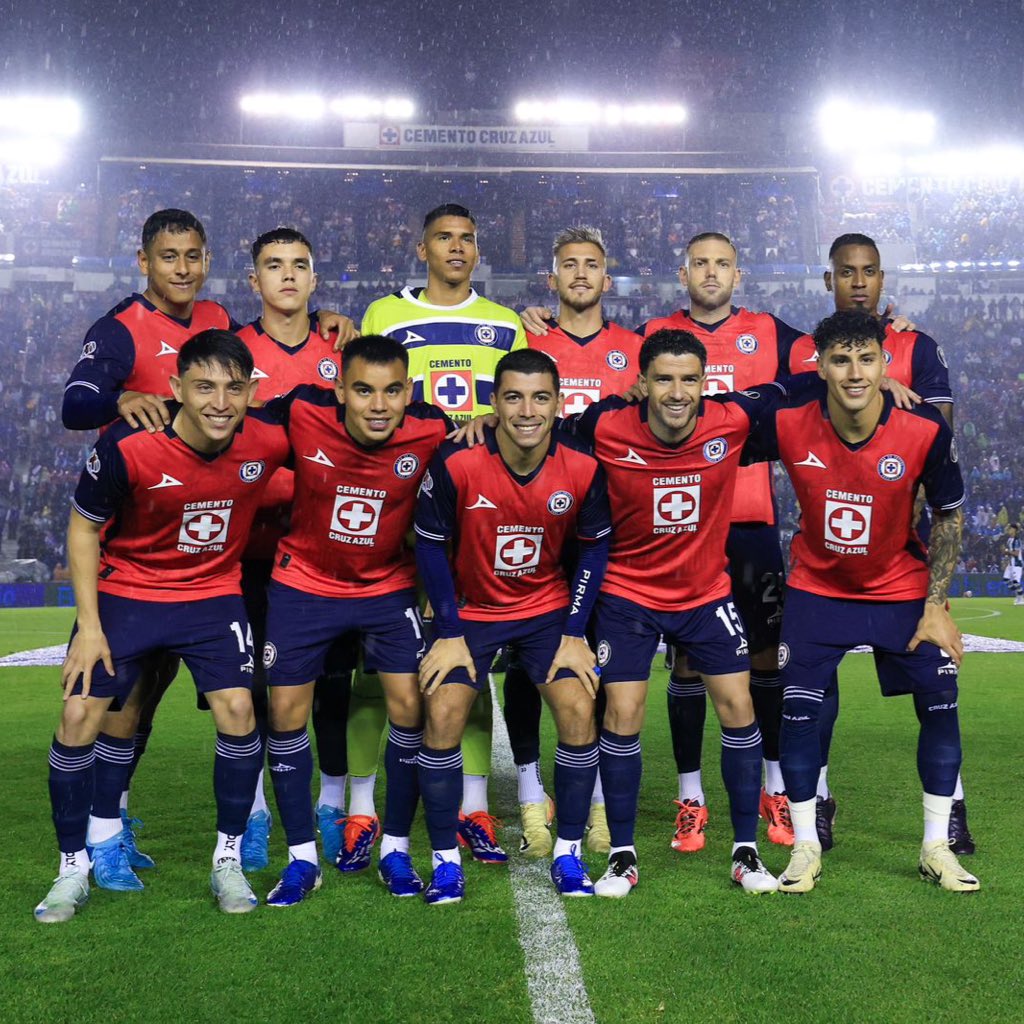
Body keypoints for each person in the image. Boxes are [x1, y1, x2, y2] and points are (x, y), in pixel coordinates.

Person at [59, 211, 356, 876]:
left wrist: (330, 321)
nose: (183, 269)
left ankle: (300, 812)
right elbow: (76, 407)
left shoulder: (221, 321)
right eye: (169, 257)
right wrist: (126, 397)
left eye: (193, 256)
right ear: (145, 262)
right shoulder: (120, 330)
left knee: (286, 691)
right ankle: (112, 825)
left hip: (264, 546)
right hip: (161, 545)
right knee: (133, 697)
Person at [34, 330, 290, 923]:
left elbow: (344, 425)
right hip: (129, 594)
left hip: (211, 595)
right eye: (203, 387)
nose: (220, 402)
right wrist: (90, 629)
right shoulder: (129, 448)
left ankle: (227, 860)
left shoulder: (270, 438)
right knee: (78, 715)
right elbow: (83, 529)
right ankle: (72, 869)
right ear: (176, 389)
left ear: (251, 391)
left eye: (233, 388)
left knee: (239, 709)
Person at [743, 310, 977, 893]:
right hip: (817, 591)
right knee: (798, 716)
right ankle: (803, 847)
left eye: (866, 359)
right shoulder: (789, 421)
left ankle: (936, 847)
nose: (854, 373)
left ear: (884, 362)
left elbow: (950, 514)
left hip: (900, 589)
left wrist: (936, 604)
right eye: (841, 360)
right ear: (820, 366)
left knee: (940, 705)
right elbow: (709, 434)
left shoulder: (923, 427)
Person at [565, 328, 786, 896]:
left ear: (705, 383)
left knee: (740, 707)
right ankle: (621, 854)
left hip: (704, 594)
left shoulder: (732, 421)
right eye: (664, 378)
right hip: (628, 595)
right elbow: (540, 433)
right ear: (643, 383)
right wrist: (482, 424)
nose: (677, 391)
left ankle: (745, 852)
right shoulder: (606, 425)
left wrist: (887, 379)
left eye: (690, 379)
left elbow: (807, 389)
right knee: (623, 714)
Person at [350, 204, 529, 867]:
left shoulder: (506, 324)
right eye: (445, 238)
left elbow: (520, 401)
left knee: (468, 660)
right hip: (396, 502)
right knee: (385, 662)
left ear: (478, 251)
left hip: (475, 509)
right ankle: (361, 812)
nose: (457, 248)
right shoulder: (382, 315)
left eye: (467, 239)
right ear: (421, 248)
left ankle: (472, 807)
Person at [786, 233, 968, 854]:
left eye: (868, 272)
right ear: (828, 279)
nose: (858, 282)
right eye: (846, 272)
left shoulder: (918, 344)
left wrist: (888, 412)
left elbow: (937, 441)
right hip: (830, 553)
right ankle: (820, 805)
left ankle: (951, 812)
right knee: (816, 694)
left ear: (883, 280)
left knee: (935, 684)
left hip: (904, 549)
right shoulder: (803, 351)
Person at [258, 334, 453, 905]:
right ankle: (301, 859)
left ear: (408, 392)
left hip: (386, 588)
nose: (378, 405)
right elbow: (225, 423)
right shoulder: (300, 411)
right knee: (286, 712)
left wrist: (488, 420)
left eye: (392, 391)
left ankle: (394, 846)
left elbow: (481, 446)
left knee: (410, 709)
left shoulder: (433, 429)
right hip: (303, 584)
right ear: (338, 389)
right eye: (363, 390)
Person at [414, 348, 611, 903]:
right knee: (443, 710)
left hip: (546, 610)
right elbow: (429, 545)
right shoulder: (455, 463)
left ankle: (568, 853)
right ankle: (446, 861)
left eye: (540, 397)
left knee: (577, 706)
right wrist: (449, 630)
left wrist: (574, 632)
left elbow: (595, 550)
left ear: (559, 404)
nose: (528, 410)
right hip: (472, 613)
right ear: (494, 404)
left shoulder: (583, 466)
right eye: (514, 397)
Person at [506, 225, 643, 858]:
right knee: (525, 662)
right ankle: (533, 794)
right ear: (552, 279)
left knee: (596, 663)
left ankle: (591, 802)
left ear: (606, 279)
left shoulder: (635, 348)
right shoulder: (525, 337)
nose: (581, 274)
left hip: (612, 526)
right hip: (533, 522)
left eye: (592, 265)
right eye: (569, 265)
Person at [234, 227, 348, 870]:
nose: (286, 276)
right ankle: (252, 813)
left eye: (299, 265)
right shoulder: (230, 353)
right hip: (247, 553)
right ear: (254, 281)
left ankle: (331, 806)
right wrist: (292, 481)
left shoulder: (340, 351)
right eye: (272, 266)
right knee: (249, 691)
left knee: (328, 688)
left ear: (313, 280)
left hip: (322, 556)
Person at [1003, 523, 1023, 603]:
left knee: (1015, 582)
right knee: (1006, 579)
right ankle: (1018, 594)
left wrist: (1007, 551)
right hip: (1010, 563)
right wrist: (1005, 552)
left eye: (1010, 528)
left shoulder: (1017, 540)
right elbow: (1009, 553)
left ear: (1014, 530)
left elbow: (1016, 553)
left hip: (1017, 564)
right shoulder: (1009, 540)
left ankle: (1021, 598)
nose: (1009, 530)